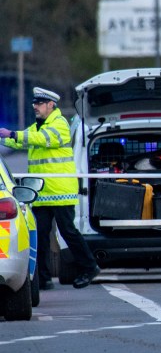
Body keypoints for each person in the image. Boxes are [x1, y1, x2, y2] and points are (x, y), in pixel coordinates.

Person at [0, 87, 100, 289]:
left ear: (50, 105)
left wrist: (12, 133)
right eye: (34, 103)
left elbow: (43, 139)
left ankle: (89, 267)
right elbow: (21, 141)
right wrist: (4, 137)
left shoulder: (59, 124)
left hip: (60, 191)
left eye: (39, 103)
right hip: (42, 193)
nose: (35, 107)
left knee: (67, 232)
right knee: (41, 235)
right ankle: (44, 278)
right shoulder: (39, 126)